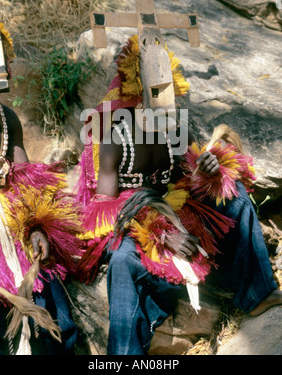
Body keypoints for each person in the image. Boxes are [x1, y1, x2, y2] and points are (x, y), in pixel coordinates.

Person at [76, 34, 282, 355]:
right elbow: (103, 210)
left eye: (170, 90)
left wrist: (210, 170)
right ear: (138, 94)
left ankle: (257, 294)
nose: (166, 101)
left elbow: (187, 176)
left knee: (235, 195)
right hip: (133, 226)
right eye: (157, 93)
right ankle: (124, 355)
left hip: (177, 213)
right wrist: (158, 234)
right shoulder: (115, 137)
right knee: (121, 262)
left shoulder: (175, 126)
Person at [0, 19, 82, 355]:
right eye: (3, 60)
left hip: (10, 226)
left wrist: (37, 228)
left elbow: (27, 181)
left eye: (9, 60)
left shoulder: (5, 118)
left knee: (45, 288)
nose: (10, 68)